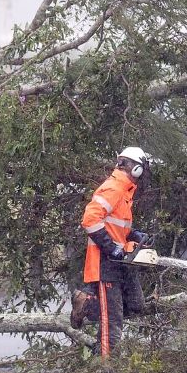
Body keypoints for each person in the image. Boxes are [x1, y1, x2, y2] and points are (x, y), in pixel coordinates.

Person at [70, 147, 156, 358]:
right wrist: (112, 248)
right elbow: (90, 220)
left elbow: (115, 228)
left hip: (121, 263)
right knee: (113, 325)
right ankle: (106, 369)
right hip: (105, 263)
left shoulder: (126, 192)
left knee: (136, 305)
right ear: (134, 168)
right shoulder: (114, 188)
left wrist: (134, 235)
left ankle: (91, 306)